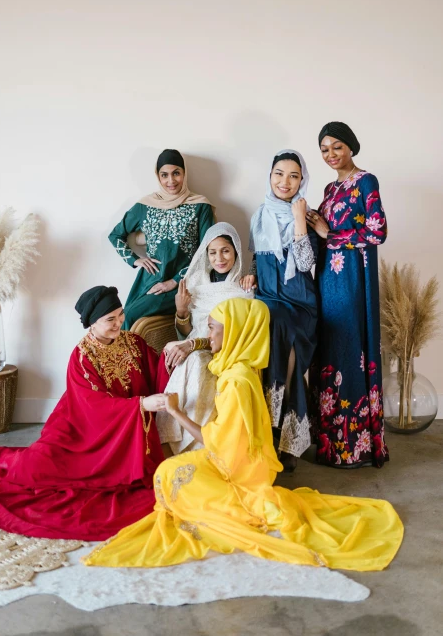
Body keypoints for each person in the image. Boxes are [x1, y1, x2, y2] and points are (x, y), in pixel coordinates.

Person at [83, 298, 403, 572]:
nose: (208, 335)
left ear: (235, 332)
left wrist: (176, 412)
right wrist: (193, 343)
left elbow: (216, 445)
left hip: (239, 477)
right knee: (171, 475)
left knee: (168, 475)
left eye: (212, 328)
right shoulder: (240, 365)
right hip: (241, 463)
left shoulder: (236, 382)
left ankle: (232, 510)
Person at [0, 287, 168, 540]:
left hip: (121, 430)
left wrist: (172, 356)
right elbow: (93, 406)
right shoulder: (82, 358)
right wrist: (140, 405)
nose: (119, 323)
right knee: (32, 470)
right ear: (92, 323)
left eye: (120, 315)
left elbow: (155, 371)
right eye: (110, 319)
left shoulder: (133, 342)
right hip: (79, 430)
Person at [306, 122, 389, 469]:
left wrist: (330, 232)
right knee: (328, 350)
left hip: (354, 280)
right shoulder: (330, 187)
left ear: (351, 147)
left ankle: (356, 446)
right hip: (327, 278)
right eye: (324, 149)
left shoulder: (365, 181)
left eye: (336, 147)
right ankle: (330, 445)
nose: (330, 155)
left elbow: (377, 231)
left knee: (350, 351)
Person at [241, 150, 317, 471]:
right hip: (268, 298)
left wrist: (299, 219)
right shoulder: (260, 215)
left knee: (281, 327)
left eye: (293, 176)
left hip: (300, 304)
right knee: (263, 323)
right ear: (270, 176)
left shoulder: (307, 216)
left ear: (302, 181)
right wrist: (252, 274)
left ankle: (280, 433)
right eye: (279, 173)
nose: (285, 182)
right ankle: (266, 429)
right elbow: (260, 257)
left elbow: (304, 264)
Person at [156, 222, 252, 455]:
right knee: (188, 360)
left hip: (226, 349)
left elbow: (243, 330)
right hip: (195, 344)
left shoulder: (244, 286)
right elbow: (187, 330)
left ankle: (200, 443)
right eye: (212, 252)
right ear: (206, 255)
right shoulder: (196, 285)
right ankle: (176, 442)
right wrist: (181, 311)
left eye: (225, 250)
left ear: (236, 251)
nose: (219, 258)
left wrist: (195, 345)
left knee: (198, 363)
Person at [108, 149, 215, 330]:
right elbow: (115, 235)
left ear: (184, 174)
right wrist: (135, 260)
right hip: (150, 280)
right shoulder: (146, 205)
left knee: (130, 318)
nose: (170, 181)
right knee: (123, 319)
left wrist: (174, 281)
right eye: (164, 175)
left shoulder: (200, 205)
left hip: (182, 284)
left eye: (176, 173)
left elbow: (208, 251)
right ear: (158, 176)